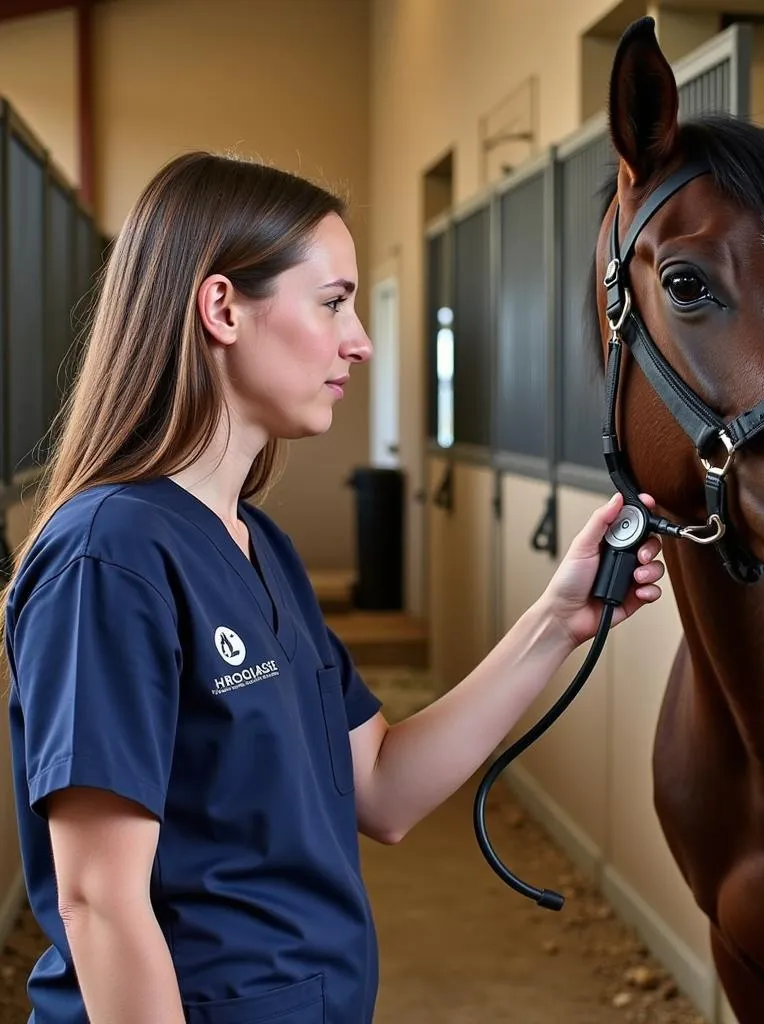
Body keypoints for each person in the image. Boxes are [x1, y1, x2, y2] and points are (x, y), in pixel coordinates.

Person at [1, 151, 665, 1024]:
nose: (359, 338)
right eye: (333, 301)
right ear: (222, 308)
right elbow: (99, 902)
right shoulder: (108, 556)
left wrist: (557, 619)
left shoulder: (256, 544)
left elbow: (382, 786)